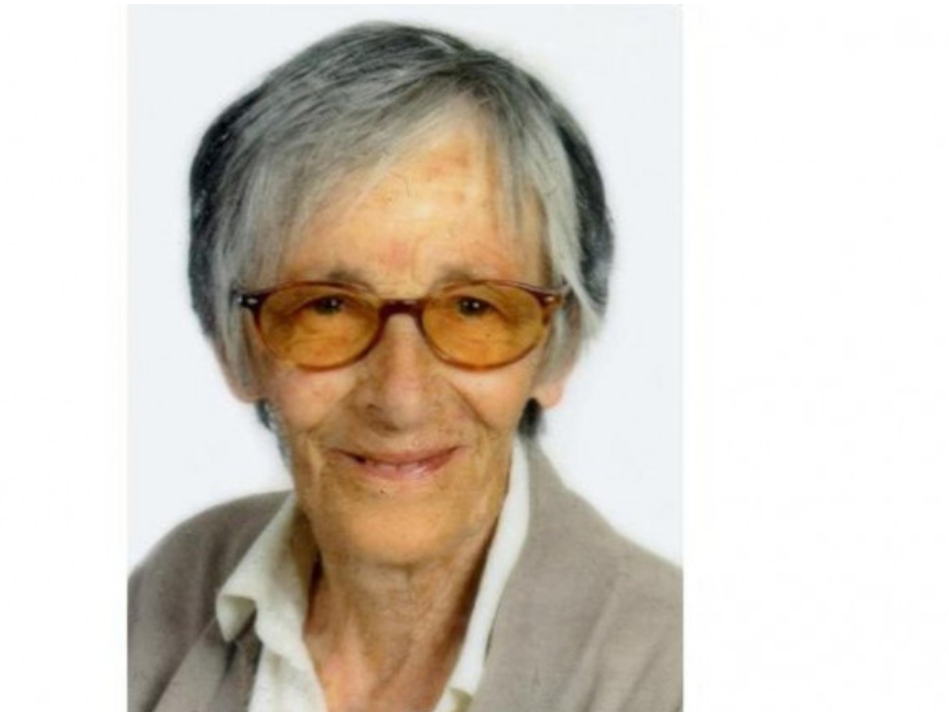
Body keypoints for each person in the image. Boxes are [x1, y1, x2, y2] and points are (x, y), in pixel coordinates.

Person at [129, 22, 681, 712]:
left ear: (558, 348)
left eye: (474, 308)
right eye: (328, 306)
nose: (401, 398)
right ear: (234, 349)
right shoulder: (172, 590)